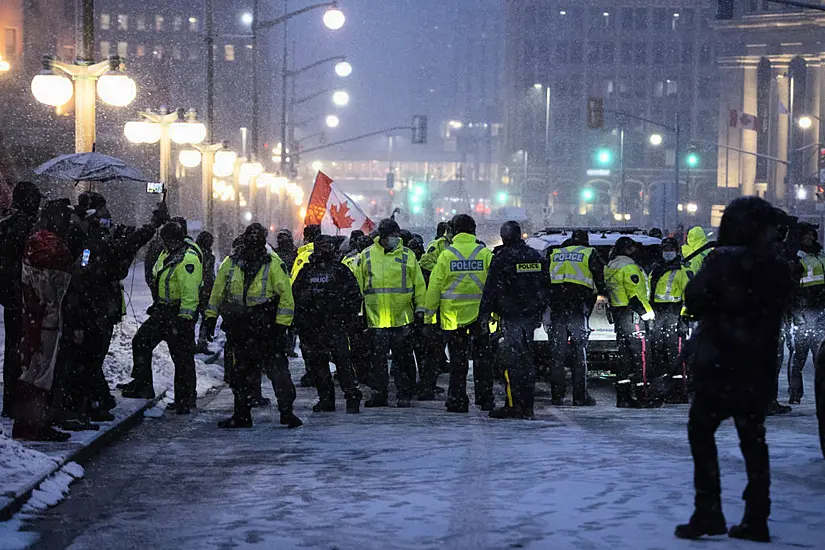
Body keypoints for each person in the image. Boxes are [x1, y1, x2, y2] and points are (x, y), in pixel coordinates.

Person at [675, 197, 795, 543]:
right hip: (756, 367)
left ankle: (708, 508)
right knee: (754, 441)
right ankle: (757, 515)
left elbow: (694, 300)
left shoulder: (722, 261)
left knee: (702, 432)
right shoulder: (776, 266)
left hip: (719, 364)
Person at [56, 192, 167, 428]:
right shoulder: (89, 244)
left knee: (90, 361)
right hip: (92, 311)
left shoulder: (92, 240)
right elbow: (96, 268)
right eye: (102, 214)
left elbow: (120, 254)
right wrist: (149, 227)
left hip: (97, 310)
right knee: (88, 362)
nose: (107, 219)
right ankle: (85, 407)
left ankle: (93, 403)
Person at [203, 223, 302, 428]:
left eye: (258, 238)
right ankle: (242, 414)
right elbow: (217, 292)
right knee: (242, 373)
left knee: (278, 372)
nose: (254, 242)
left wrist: (281, 326)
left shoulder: (273, 263)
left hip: (266, 326)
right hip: (241, 326)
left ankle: (286, 412)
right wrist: (211, 317)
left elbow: (286, 296)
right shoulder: (230, 264)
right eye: (251, 237)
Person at [120, 222, 201, 414]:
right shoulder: (167, 254)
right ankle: (143, 385)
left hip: (178, 313)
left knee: (182, 359)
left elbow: (190, 293)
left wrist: (185, 319)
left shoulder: (187, 259)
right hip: (163, 311)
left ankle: (186, 399)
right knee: (141, 342)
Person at [12, 199, 75, 441]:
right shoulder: (57, 250)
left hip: (31, 314)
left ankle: (24, 423)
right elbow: (60, 291)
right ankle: (37, 425)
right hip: (49, 319)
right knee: (43, 374)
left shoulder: (32, 243)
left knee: (29, 368)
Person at [424, 214, 493, 413]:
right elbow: (493, 285)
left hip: (452, 318)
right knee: (482, 361)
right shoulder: (484, 253)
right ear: (474, 230)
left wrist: (429, 317)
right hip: (479, 318)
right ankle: (485, 398)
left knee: (458, 362)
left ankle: (457, 399)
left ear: (453, 231)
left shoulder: (446, 255)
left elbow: (435, 287)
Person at [481, 221, 549, 419]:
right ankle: (527, 406)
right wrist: (538, 310)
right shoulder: (535, 256)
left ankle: (514, 405)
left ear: (504, 237)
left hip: (511, 316)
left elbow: (491, 288)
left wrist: (485, 314)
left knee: (512, 361)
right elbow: (545, 286)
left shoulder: (503, 258)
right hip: (529, 317)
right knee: (527, 360)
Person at [355, 218, 426, 408]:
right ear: (382, 237)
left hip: (401, 319)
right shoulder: (367, 256)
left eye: (396, 235)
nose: (394, 239)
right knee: (377, 362)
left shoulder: (407, 255)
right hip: (376, 320)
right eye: (391, 236)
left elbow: (419, 285)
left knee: (402, 361)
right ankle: (379, 394)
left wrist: (420, 309)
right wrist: (358, 314)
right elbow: (358, 285)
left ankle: (404, 394)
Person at [293, 234, 363, 413]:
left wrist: (347, 318)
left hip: (335, 324)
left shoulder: (340, 270)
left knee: (343, 363)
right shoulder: (307, 271)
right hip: (314, 326)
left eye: (328, 247)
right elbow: (296, 297)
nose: (326, 250)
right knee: (319, 365)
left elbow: (354, 295)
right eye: (323, 247)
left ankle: (352, 397)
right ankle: (326, 399)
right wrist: (302, 320)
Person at [546, 229, 605, 406]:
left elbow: (544, 279)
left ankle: (557, 396)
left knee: (557, 355)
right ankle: (580, 397)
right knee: (579, 353)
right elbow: (600, 278)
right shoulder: (589, 253)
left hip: (557, 307)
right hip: (577, 307)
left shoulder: (555, 253)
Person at [0, 181, 42, 418]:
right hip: (23, 295)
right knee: (23, 350)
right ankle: (19, 401)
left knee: (13, 349)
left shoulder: (6, 222)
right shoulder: (24, 226)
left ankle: (11, 401)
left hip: (10, 295)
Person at [605, 236, 655, 408]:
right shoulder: (629, 267)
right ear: (628, 249)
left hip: (619, 314)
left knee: (624, 358)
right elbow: (635, 296)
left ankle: (623, 396)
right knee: (642, 355)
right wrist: (648, 317)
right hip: (633, 314)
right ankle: (644, 395)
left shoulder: (611, 265)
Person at [647, 237, 692, 405]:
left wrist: (684, 319)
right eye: (664, 249)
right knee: (658, 354)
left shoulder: (682, 270)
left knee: (676, 356)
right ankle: (662, 389)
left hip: (674, 313)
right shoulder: (656, 268)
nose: (667, 252)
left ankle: (679, 391)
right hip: (658, 314)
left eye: (670, 249)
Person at [788, 223, 825, 404]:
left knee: (820, 356)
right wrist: (796, 311)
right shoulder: (797, 258)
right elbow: (791, 287)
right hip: (804, 312)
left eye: (812, 235)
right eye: (807, 235)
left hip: (820, 311)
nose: (811, 238)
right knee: (800, 356)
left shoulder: (820, 255)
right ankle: (795, 393)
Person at [195, 231, 216, 354]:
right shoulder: (205, 255)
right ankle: (201, 342)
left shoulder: (196, 253)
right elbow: (209, 275)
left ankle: (197, 342)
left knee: (197, 317)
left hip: (200, 289)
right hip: (204, 290)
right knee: (204, 317)